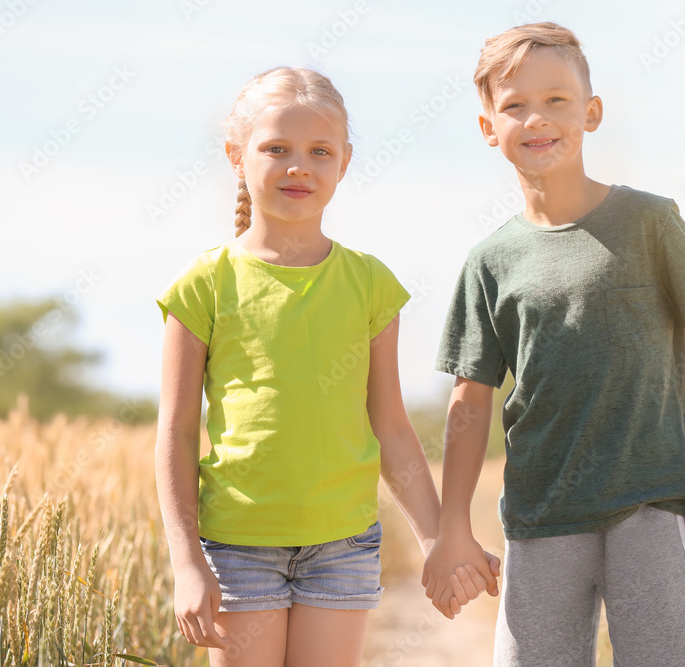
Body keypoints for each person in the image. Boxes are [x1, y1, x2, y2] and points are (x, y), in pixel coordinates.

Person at [421, 23, 685, 666]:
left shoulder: (650, 221)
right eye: (514, 105)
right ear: (489, 127)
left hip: (652, 502)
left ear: (591, 113)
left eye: (556, 101)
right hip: (540, 517)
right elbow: (470, 401)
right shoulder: (489, 261)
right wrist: (453, 526)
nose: (536, 118)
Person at [154, 66, 497, 667]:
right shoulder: (204, 284)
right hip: (238, 545)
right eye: (276, 149)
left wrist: (438, 540)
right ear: (237, 156)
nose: (298, 167)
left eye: (319, 151)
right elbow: (176, 432)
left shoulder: (368, 284)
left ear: (344, 162)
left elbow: (390, 426)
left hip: (342, 544)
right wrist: (186, 563)